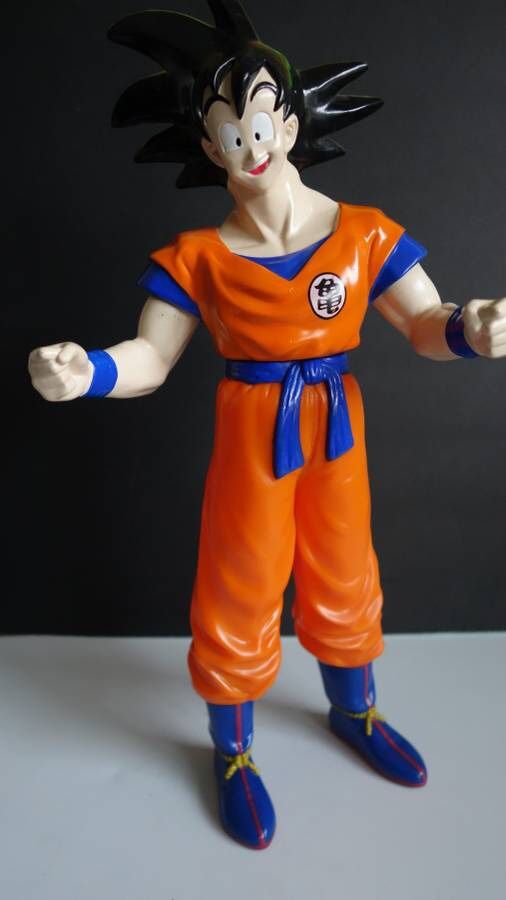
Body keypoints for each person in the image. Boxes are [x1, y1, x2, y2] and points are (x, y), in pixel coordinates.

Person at [28, 1, 506, 850]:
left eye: (260, 119)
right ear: (209, 147)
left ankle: (356, 710)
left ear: (289, 121)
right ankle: (234, 750)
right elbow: (151, 357)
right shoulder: (198, 259)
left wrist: (470, 328)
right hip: (252, 433)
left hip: (335, 428)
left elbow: (422, 323)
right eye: (228, 129)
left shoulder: (364, 235)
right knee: (239, 582)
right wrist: (87, 372)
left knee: (347, 567)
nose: (250, 144)